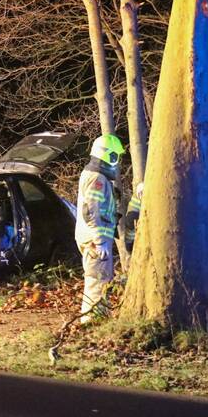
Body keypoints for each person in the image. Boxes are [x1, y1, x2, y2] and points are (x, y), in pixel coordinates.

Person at [74, 134, 125, 324]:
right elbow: (92, 211)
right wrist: (100, 240)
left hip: (93, 239)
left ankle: (95, 317)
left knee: (99, 279)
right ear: (108, 156)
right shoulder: (96, 178)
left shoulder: (96, 176)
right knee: (97, 280)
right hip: (95, 242)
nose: (117, 162)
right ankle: (92, 321)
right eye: (116, 156)